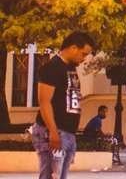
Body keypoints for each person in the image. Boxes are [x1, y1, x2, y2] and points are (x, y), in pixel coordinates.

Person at [31, 31, 97, 179]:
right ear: (73, 48)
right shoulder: (52, 68)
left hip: (67, 133)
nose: (84, 59)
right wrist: (53, 132)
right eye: (83, 54)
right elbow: (44, 102)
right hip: (54, 132)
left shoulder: (70, 68)